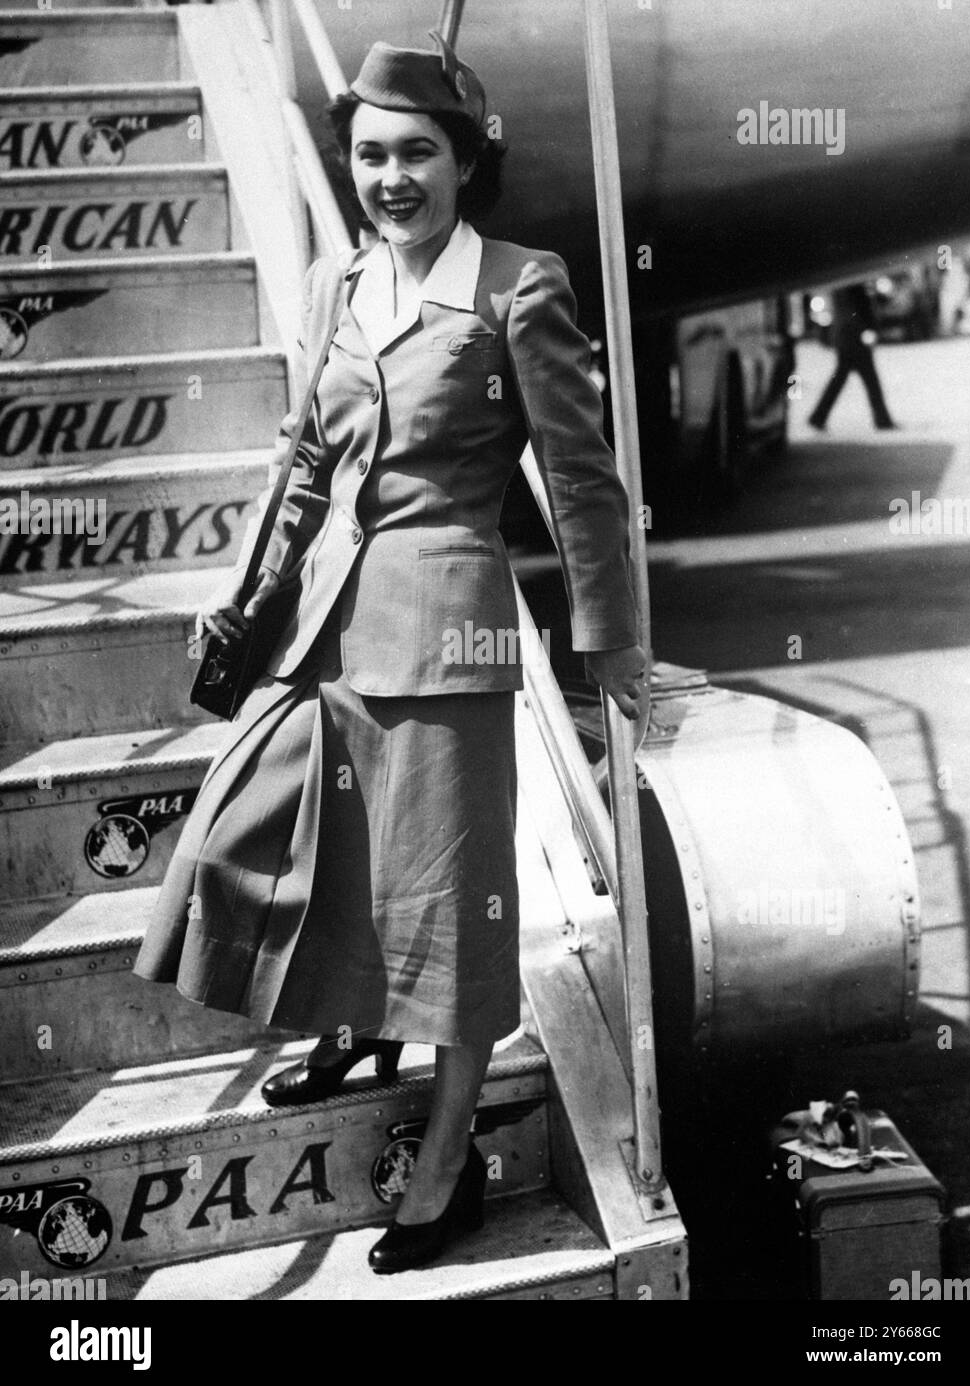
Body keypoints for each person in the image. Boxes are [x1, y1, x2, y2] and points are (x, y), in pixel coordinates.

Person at [133, 31, 644, 1275]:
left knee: (453, 918)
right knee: (245, 835)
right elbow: (304, 462)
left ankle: (445, 1160)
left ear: (468, 162)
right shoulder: (333, 282)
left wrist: (609, 644)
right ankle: (359, 1025)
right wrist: (251, 598)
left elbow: (577, 479)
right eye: (368, 152)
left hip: (445, 638)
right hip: (324, 632)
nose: (390, 175)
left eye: (419, 151)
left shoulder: (519, 287)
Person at [808, 283, 896, 431]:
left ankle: (818, 416)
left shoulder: (845, 282)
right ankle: (882, 419)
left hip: (847, 336)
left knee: (843, 380)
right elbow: (859, 308)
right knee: (869, 380)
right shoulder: (853, 283)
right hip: (854, 337)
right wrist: (868, 328)